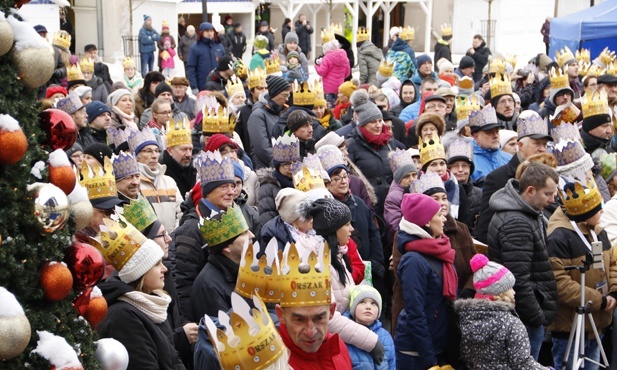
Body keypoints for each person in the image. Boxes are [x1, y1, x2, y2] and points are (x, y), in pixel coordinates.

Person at [487, 162, 559, 360]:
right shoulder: (517, 222)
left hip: (522, 314)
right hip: (523, 317)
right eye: (547, 194)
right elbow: (518, 277)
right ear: (530, 190)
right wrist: (537, 318)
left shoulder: (526, 213)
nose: (553, 199)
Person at [547, 168, 617, 369]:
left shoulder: (598, 231)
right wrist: (599, 301)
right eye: (598, 209)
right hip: (570, 325)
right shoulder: (559, 237)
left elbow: (611, 263)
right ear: (585, 214)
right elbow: (560, 282)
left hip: (597, 322)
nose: (603, 211)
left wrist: (613, 291)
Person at [96, 216, 186, 370]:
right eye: (157, 264)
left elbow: (173, 358)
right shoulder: (123, 316)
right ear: (141, 272)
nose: (164, 269)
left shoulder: (151, 303)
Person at [455, 254, 552, 369]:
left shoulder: (465, 319)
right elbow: (522, 363)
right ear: (500, 291)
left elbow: (465, 356)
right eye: (510, 288)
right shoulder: (511, 323)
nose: (514, 292)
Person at [172, 150, 236, 321]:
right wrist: (191, 325)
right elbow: (183, 283)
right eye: (224, 187)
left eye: (232, 186)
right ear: (207, 192)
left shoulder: (233, 217)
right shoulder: (191, 229)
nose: (231, 192)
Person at [395, 193, 456, 368]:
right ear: (427, 222)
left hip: (437, 345)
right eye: (439, 215)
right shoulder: (414, 261)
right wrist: (430, 361)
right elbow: (416, 312)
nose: (444, 219)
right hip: (417, 354)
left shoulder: (438, 250)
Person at [474, 110, 553, 242]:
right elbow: (485, 227)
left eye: (544, 144)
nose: (542, 149)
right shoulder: (498, 178)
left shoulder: (549, 175)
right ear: (520, 145)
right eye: (536, 144)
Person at [346, 90, 405, 218]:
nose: (378, 125)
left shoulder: (389, 142)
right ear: (362, 124)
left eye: (380, 121)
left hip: (393, 203)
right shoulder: (351, 145)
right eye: (373, 122)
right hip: (369, 206)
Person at [191, 204, 254, 320]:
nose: (252, 235)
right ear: (226, 248)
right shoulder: (208, 286)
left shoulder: (247, 269)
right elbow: (223, 330)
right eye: (244, 233)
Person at [128, 127, 182, 233]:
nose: (154, 156)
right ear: (136, 157)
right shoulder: (133, 184)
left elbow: (181, 210)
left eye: (157, 151)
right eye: (148, 151)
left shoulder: (169, 181)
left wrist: (175, 234)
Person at [344, 284, 396, 370]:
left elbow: (392, 365)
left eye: (373, 303)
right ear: (353, 308)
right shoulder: (346, 335)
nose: (368, 307)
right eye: (362, 302)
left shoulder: (386, 336)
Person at [247, 75, 291, 169]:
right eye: (284, 95)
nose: (287, 99)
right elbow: (262, 148)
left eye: (288, 95)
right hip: (268, 168)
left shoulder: (282, 112)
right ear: (275, 94)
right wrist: (279, 165)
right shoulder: (258, 115)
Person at [468, 105, 512, 184]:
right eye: (489, 132)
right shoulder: (468, 161)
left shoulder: (509, 159)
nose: (495, 136)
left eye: (497, 131)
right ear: (476, 137)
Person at [160, 116, 196, 200]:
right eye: (183, 149)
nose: (188, 154)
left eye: (190, 149)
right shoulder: (162, 172)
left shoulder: (194, 170)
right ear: (170, 150)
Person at [187, 22, 226, 94]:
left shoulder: (219, 47)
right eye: (207, 31)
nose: (210, 33)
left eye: (211, 31)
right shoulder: (195, 48)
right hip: (202, 86)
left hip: (219, 86)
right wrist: (194, 87)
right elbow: (191, 68)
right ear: (202, 32)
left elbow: (225, 66)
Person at [315, 33, 350, 108]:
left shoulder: (327, 57)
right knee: (338, 106)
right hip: (340, 88)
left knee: (330, 108)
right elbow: (347, 74)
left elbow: (322, 72)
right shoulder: (345, 57)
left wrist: (317, 66)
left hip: (328, 89)